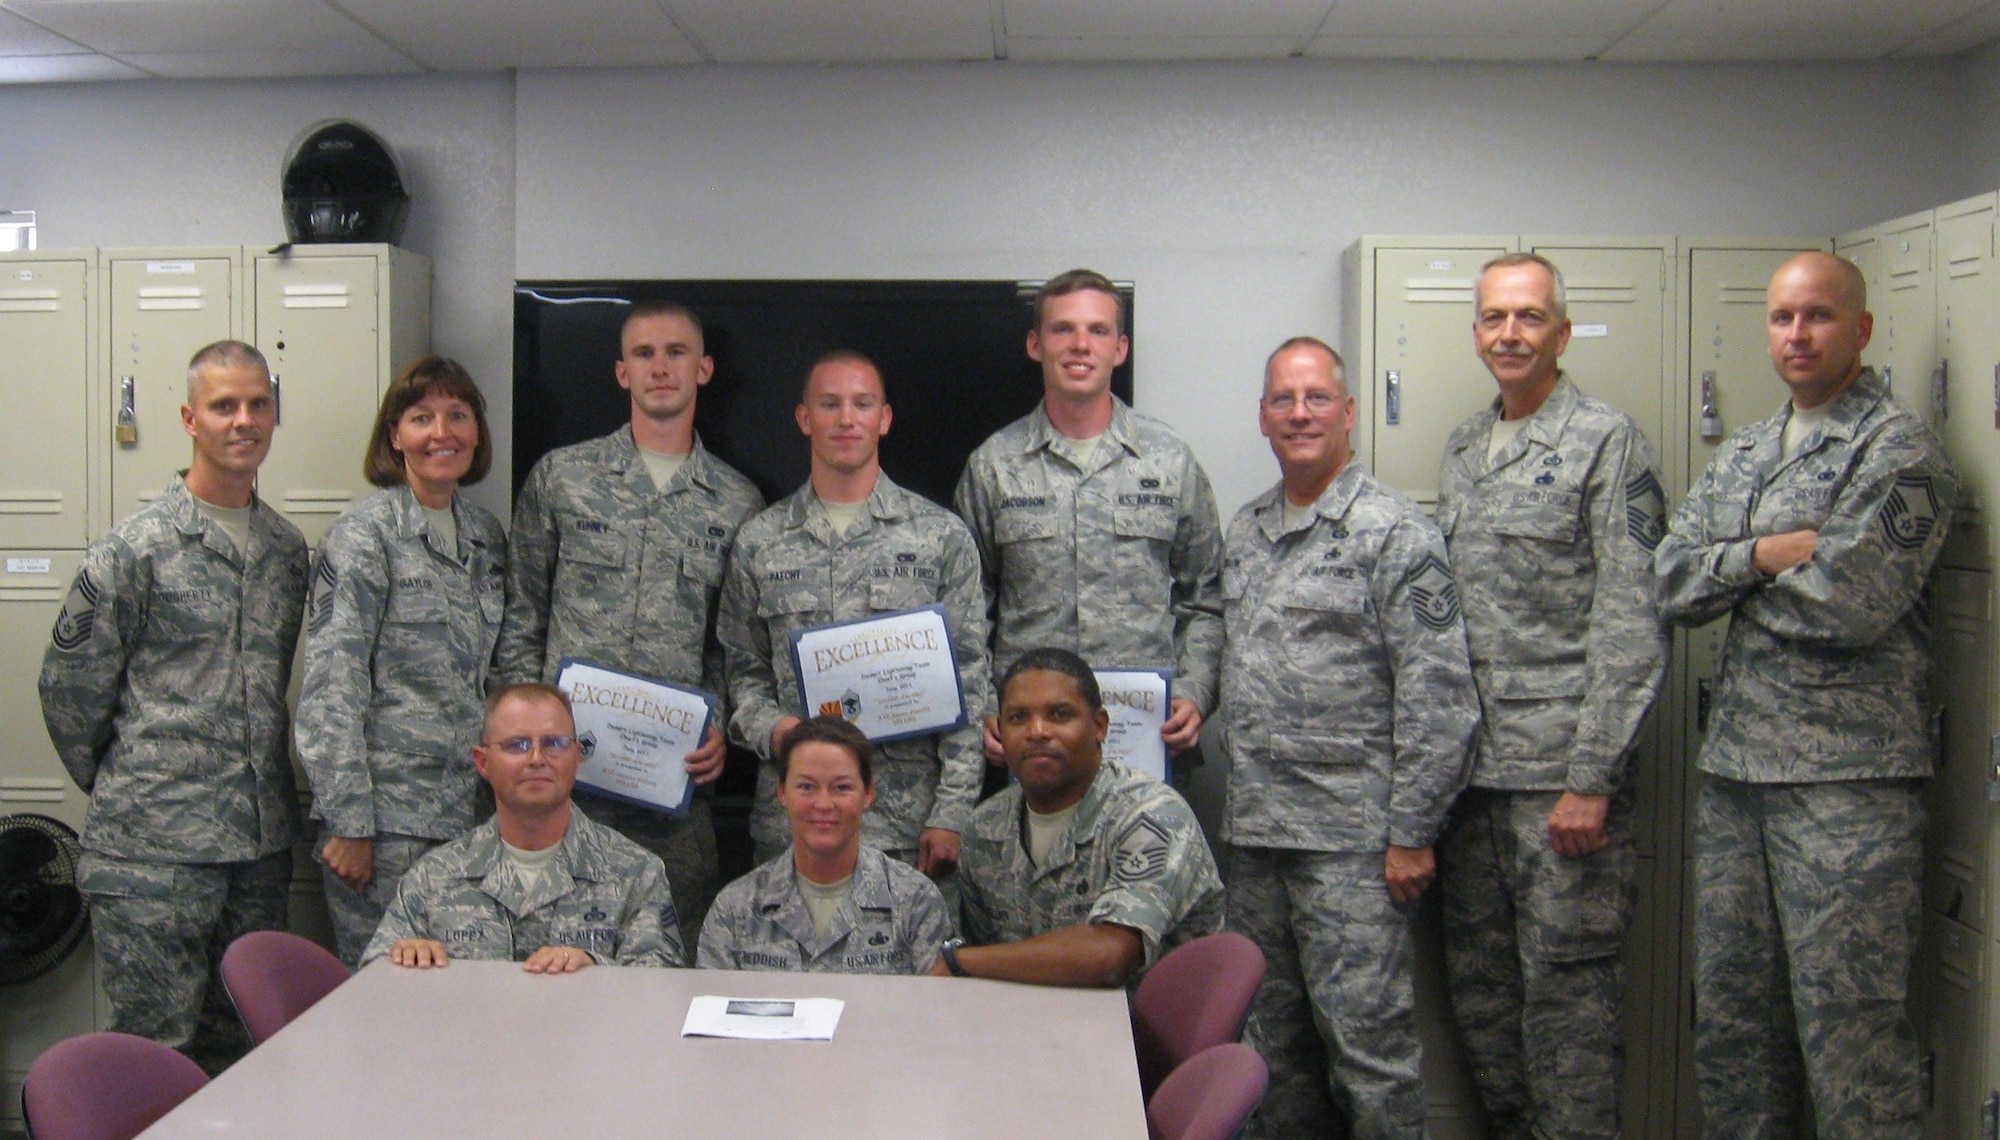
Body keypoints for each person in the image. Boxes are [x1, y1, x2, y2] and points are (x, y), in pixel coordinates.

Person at [1656, 251, 1957, 1139]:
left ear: (1860, 329)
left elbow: (1847, 602)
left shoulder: (1899, 450)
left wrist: (1733, 577)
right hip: (1738, 780)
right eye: (1783, 317)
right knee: (1736, 1031)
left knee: (1851, 1043)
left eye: (1819, 316)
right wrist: (1763, 554)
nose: (1797, 334)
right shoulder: (1748, 448)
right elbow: (1668, 580)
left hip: (1847, 794)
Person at [1433, 253, 1668, 1139]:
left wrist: (1593, 775)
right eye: (1495, 317)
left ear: (1562, 334)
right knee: (1487, 1017)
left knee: (1569, 1026)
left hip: (1561, 792)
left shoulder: (1607, 441)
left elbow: (1632, 618)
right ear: (1477, 334)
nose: (1510, 334)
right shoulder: (1463, 447)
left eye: (1530, 317)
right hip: (1471, 788)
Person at [1221, 338, 1478, 1139]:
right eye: (1282, 400)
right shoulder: (1247, 529)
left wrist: (1412, 833)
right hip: (1257, 838)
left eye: (1317, 398)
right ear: (1262, 416)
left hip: (1354, 847)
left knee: (1370, 1053)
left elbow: (1441, 696)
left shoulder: (1395, 532)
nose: (1299, 414)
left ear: (1349, 412)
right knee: (1273, 1052)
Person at [40, 340, 309, 1072]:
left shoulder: (286, 551)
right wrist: (137, 787)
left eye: (258, 404)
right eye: (224, 405)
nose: (243, 420)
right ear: (190, 418)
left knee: (246, 1056)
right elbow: (69, 692)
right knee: (152, 1055)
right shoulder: (135, 549)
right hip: (153, 851)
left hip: (255, 851)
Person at [495, 300, 764, 941]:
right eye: (644, 354)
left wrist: (721, 729)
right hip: (562, 778)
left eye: (676, 353)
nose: (660, 368)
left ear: (704, 369)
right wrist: (521, 735)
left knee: (667, 955)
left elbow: (734, 647)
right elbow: (521, 620)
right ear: (622, 373)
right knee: (548, 951)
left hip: (671, 791)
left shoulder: (736, 501)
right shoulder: (562, 478)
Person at [718, 349, 992, 876]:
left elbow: (970, 685)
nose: (846, 419)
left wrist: (953, 812)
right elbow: (741, 672)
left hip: (910, 828)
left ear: (884, 418)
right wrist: (778, 732)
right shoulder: (760, 540)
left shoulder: (940, 536)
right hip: (792, 824)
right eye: (829, 404)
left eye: (862, 404)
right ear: (804, 418)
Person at [954, 269, 1224, 770]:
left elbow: (1205, 598)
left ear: (1120, 348)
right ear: (1035, 344)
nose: (1081, 345)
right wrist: (984, 707)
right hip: (1033, 742)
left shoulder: (1168, 459)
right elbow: (968, 610)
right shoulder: (993, 466)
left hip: (1148, 737)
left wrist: (1195, 691)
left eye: (1097, 331)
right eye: (1063, 329)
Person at [295, 356, 508, 968]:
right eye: (422, 418)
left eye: (457, 416)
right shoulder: (364, 536)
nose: (442, 432)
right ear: (395, 436)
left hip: (468, 817)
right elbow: (334, 686)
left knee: (464, 1001)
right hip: (386, 827)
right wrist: (348, 824)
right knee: (383, 1002)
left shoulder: (485, 536)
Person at [938, 648, 1223, 988]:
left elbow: (1110, 956)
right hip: (1035, 1028)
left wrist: (956, 961)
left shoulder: (1153, 815)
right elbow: (990, 959)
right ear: (999, 730)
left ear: (1099, 726)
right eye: (1018, 718)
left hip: (1151, 1034)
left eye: (1059, 715)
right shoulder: (985, 828)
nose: (1037, 732)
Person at [364, 683, 684, 970]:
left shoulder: (635, 874)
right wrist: (404, 961)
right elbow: (373, 982)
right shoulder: (434, 877)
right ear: (483, 762)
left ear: (577, 756)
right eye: (517, 745)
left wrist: (593, 967)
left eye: (554, 743)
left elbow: (660, 987)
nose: (536, 758)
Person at [698, 716, 951, 974]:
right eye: (806, 787)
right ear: (782, 792)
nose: (823, 804)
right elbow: (711, 1010)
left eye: (841, 788)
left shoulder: (915, 901)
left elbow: (939, 1009)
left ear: (868, 793)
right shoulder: (736, 908)